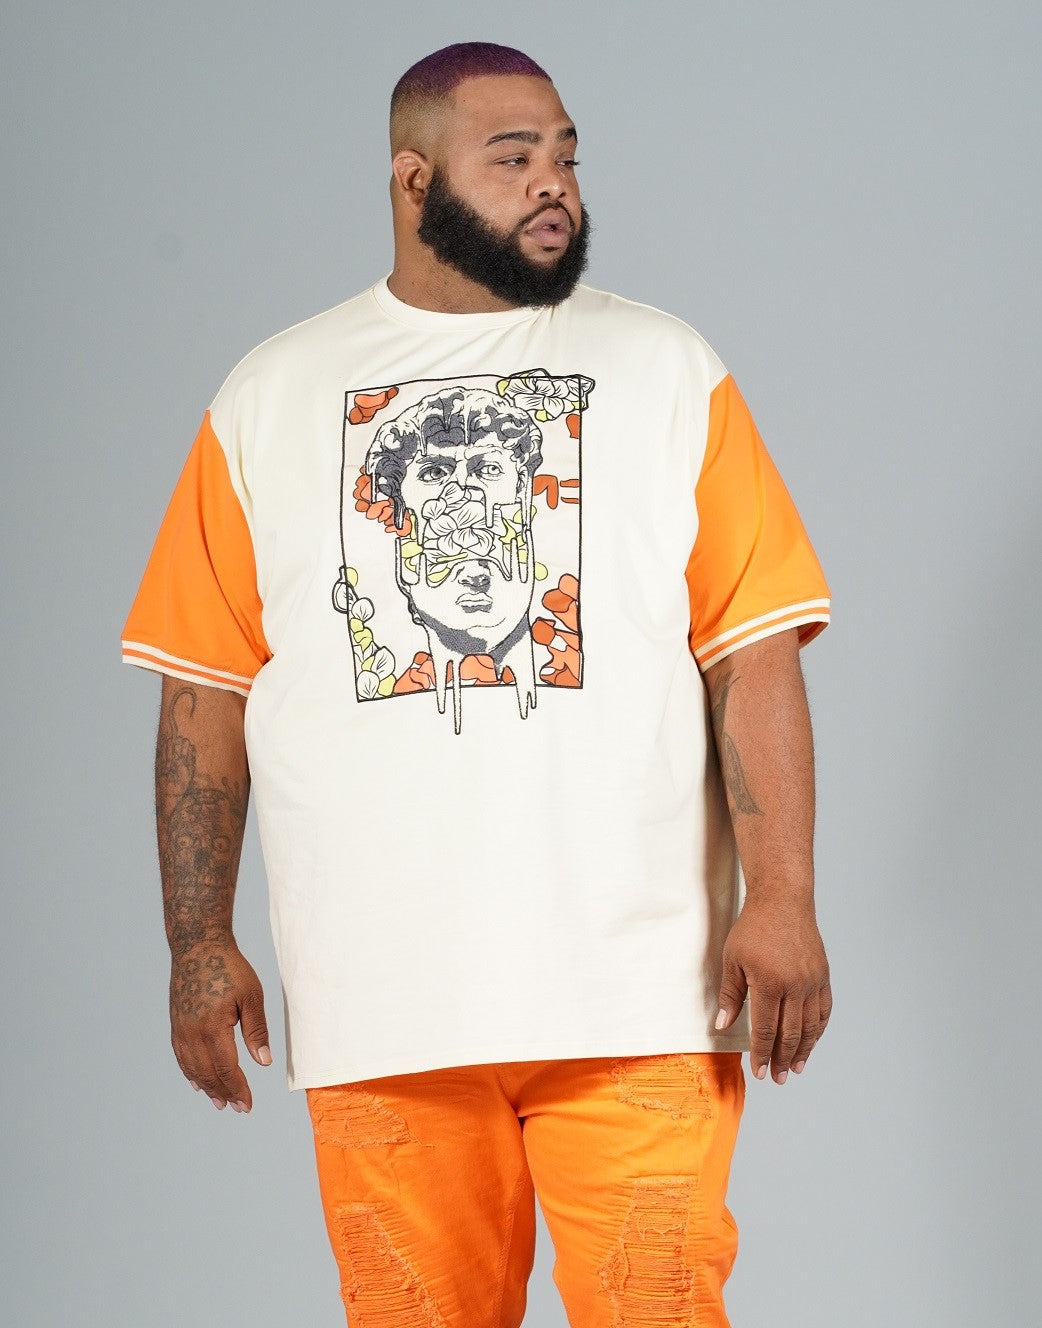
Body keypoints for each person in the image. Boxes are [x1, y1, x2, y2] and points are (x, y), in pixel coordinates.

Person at [121, 39, 833, 1328]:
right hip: (381, 1001)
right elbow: (201, 697)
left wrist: (783, 897)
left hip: (640, 992)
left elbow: (755, 651)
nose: (554, 183)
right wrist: (196, 941)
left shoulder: (669, 369)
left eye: (566, 156)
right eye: (513, 159)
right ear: (414, 182)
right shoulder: (270, 396)